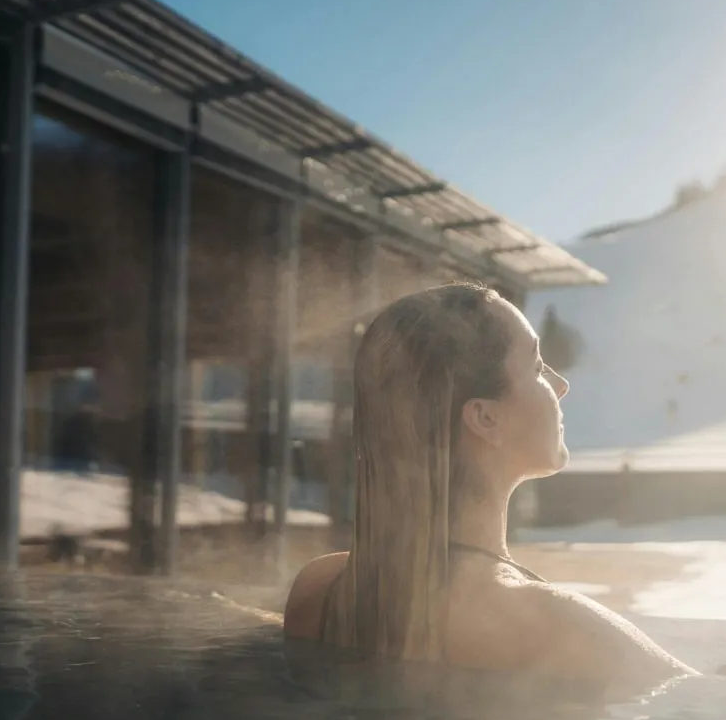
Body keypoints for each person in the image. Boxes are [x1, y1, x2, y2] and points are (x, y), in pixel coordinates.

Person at [284, 283, 696, 683]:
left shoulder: (319, 590)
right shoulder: (556, 624)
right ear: (485, 418)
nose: (561, 385)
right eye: (537, 367)